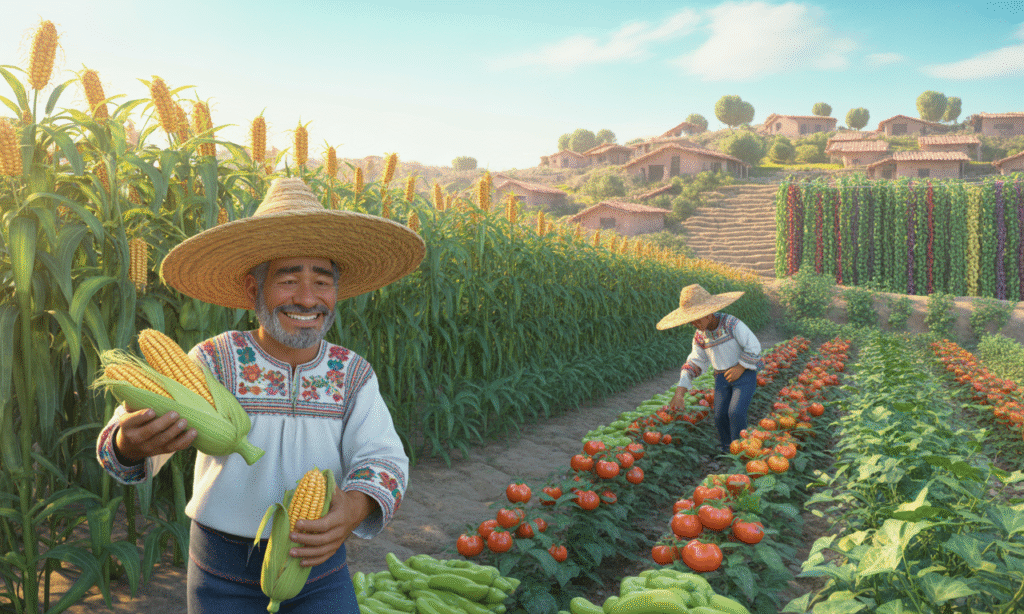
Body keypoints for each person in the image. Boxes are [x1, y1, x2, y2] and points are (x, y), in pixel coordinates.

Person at [95, 178, 425, 613]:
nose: (307, 298)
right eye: (289, 279)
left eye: (322, 282)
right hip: (221, 568)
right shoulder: (215, 359)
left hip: (316, 567)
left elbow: (385, 458)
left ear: (336, 292)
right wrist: (129, 443)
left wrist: (356, 506)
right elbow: (120, 444)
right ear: (254, 290)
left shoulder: (352, 373)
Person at [658, 284, 762, 457]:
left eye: (698, 317)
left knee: (735, 412)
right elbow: (694, 362)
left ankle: (741, 449)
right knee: (720, 415)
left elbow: (754, 345)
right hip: (721, 378)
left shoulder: (731, 324)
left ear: (710, 312)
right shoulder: (700, 336)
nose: (695, 323)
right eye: (691, 320)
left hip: (745, 375)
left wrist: (741, 366)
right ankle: (727, 449)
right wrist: (679, 393)